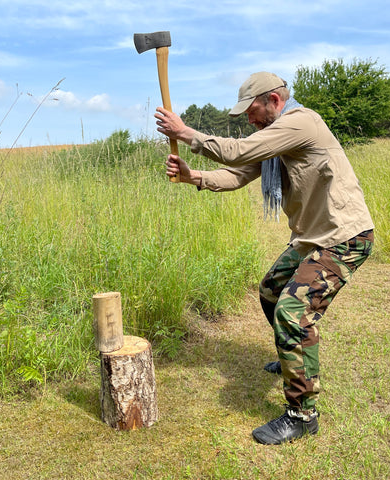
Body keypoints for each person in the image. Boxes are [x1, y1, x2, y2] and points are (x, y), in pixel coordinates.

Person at [154, 71, 374, 445]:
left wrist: (187, 133)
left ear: (273, 100)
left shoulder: (301, 122)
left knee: (292, 312)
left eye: (252, 111)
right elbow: (237, 173)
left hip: (344, 236)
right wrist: (194, 177)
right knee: (271, 290)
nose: (249, 120)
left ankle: (302, 416)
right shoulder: (273, 140)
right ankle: (293, 360)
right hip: (310, 238)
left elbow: (240, 151)